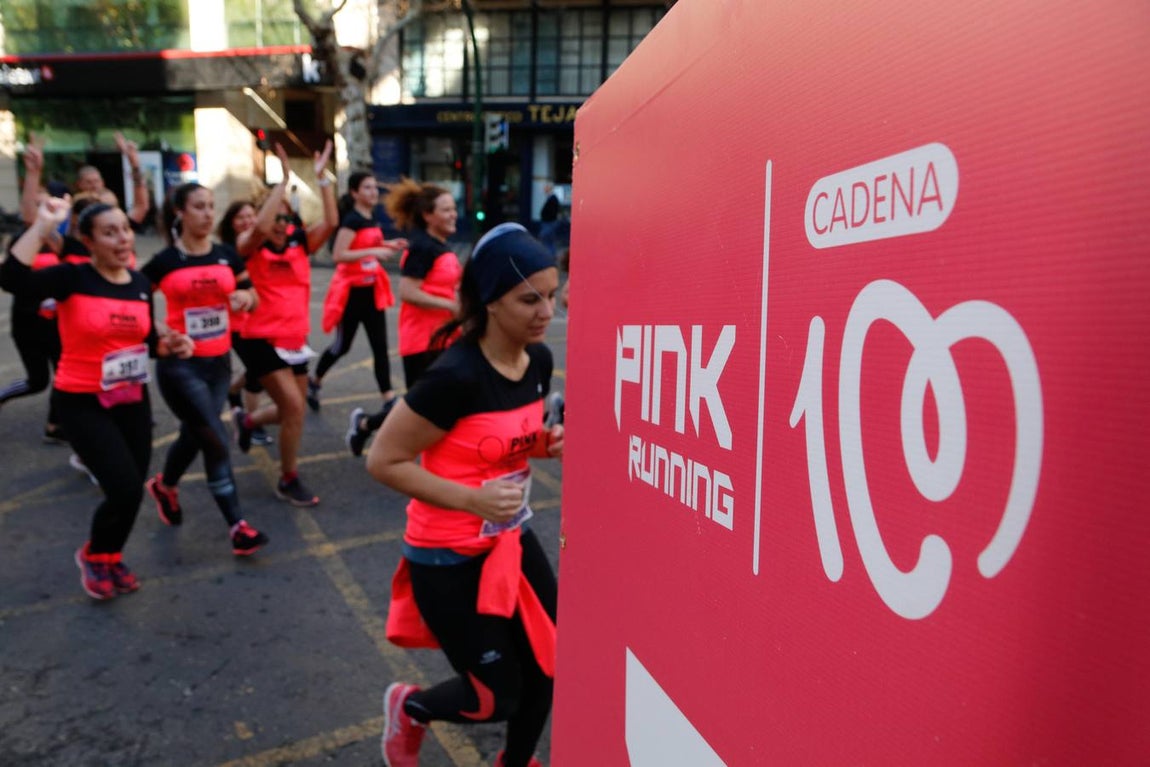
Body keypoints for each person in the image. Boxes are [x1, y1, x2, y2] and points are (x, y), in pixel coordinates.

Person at [367, 223, 562, 767]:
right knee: (494, 695)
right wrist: (471, 500)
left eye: (551, 294)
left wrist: (545, 444)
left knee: (549, 664)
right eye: (529, 299)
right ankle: (410, 709)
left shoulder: (538, 361)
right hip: (447, 555)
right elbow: (383, 461)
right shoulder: (454, 376)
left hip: (509, 540)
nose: (546, 310)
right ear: (491, 302)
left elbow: (500, 442)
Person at [0, 197, 194, 600]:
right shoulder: (71, 278)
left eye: (125, 229)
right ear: (88, 241)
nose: (123, 239)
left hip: (131, 398)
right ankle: (92, 554)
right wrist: (42, 226)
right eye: (110, 233)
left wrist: (172, 344)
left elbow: (144, 340)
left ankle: (110, 555)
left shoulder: (140, 285)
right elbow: (11, 279)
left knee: (133, 487)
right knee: (122, 486)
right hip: (81, 400)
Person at [141, 182, 268, 555]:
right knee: (215, 437)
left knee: (197, 435)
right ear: (180, 211)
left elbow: (254, 297)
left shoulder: (227, 255)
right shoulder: (166, 261)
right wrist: (160, 330)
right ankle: (237, 526)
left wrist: (245, 297)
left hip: (219, 364)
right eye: (199, 206)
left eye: (212, 206)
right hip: (181, 366)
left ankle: (164, 486)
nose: (208, 213)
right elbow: (133, 298)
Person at [231, 141, 338, 506]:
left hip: (294, 338)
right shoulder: (250, 246)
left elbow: (333, 221)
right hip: (258, 336)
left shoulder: (299, 245)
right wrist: (285, 180)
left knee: (293, 409)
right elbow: (259, 226)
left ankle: (248, 421)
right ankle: (288, 479)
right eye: (276, 217)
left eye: (285, 217)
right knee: (293, 407)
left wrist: (322, 178)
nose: (281, 223)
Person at [346, 179, 459, 457]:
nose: (453, 214)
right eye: (446, 209)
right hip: (422, 341)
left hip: (445, 337)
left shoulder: (438, 244)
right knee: (418, 407)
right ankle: (364, 425)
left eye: (453, 208)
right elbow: (408, 292)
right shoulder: (422, 247)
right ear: (427, 215)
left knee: (437, 402)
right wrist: (452, 306)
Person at [308, 171, 407, 412]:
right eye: (367, 188)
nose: (374, 192)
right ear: (354, 193)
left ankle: (388, 398)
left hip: (372, 290)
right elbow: (339, 255)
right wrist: (372, 253)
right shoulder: (351, 220)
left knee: (380, 347)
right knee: (342, 346)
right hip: (351, 293)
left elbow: (367, 245)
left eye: (375, 187)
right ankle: (315, 380)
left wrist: (387, 245)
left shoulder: (370, 216)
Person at [0, 138, 67, 442]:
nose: (43, 211)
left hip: (57, 324)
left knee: (65, 374)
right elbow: (29, 213)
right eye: (38, 206)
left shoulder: (60, 243)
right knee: (38, 381)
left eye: (48, 204)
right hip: (27, 324)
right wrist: (33, 173)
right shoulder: (24, 241)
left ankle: (55, 425)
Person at [218, 198, 278, 447]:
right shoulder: (236, 247)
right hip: (238, 322)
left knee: (257, 369)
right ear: (231, 224)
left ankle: (233, 390)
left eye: (251, 216)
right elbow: (260, 230)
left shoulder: (259, 245)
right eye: (241, 217)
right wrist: (282, 183)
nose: (247, 221)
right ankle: (254, 425)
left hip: (262, 317)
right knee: (258, 373)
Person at [538, 184, 561, 255]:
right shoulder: (550, 198)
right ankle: (551, 255)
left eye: (546, 188)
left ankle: (549, 255)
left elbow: (552, 212)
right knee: (549, 240)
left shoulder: (553, 199)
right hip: (548, 222)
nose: (544, 190)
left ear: (549, 189)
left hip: (549, 223)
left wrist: (546, 217)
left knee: (546, 239)